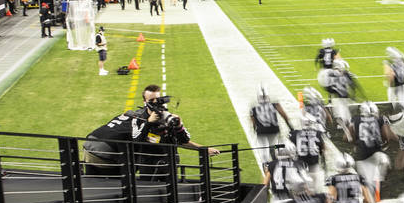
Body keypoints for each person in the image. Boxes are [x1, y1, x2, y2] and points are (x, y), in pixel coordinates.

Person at [82, 85, 219, 177]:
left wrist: (179, 127)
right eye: (151, 100)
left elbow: (183, 140)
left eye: (158, 100)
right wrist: (148, 123)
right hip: (144, 166)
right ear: (144, 102)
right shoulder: (137, 119)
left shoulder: (168, 117)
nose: (156, 103)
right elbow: (137, 140)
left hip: (167, 164)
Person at [346, 101, 397, 203]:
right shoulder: (380, 118)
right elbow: (387, 136)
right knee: (382, 165)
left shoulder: (355, 119)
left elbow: (348, 137)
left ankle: (370, 201)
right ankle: (380, 185)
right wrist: (387, 142)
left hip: (362, 156)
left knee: (367, 185)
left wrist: (355, 142)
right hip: (378, 156)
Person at [320, 59, 360, 135]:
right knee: (346, 114)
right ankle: (350, 127)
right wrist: (353, 95)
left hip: (338, 98)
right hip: (345, 97)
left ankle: (349, 130)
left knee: (340, 116)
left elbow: (329, 88)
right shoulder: (345, 74)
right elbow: (352, 84)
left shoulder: (332, 74)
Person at [249, 85, 292, 153]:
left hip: (261, 131)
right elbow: (284, 115)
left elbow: (253, 122)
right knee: (276, 146)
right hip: (274, 130)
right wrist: (290, 126)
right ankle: (274, 154)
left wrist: (254, 129)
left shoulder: (253, 107)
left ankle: (266, 161)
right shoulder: (275, 104)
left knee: (263, 149)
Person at [384, 47, 404, 134]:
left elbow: (390, 76)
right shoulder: (402, 63)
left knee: (393, 105)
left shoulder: (389, 63)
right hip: (401, 87)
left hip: (395, 88)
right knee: (401, 105)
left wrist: (388, 82)